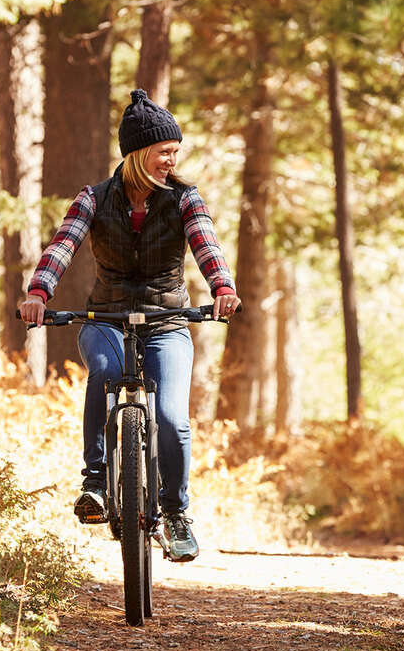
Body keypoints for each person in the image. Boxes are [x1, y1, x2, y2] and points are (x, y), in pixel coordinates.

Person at [19, 89, 241, 563]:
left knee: (173, 420)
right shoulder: (94, 199)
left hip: (167, 321)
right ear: (140, 155)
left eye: (175, 153)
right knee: (102, 373)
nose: (171, 161)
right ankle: (96, 484)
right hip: (107, 317)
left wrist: (222, 288)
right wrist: (39, 293)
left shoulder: (184, 199)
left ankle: (176, 513)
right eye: (165, 152)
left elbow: (206, 246)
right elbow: (62, 247)